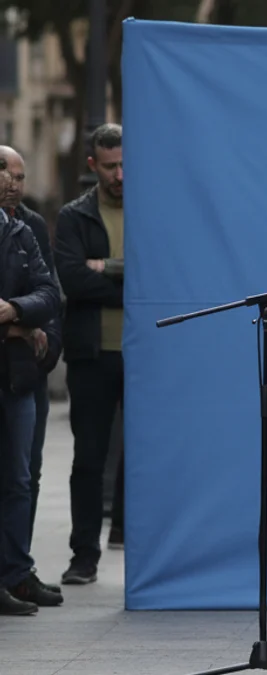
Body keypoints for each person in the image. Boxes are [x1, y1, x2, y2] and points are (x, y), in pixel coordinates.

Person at [55, 123, 125, 585]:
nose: (119, 174)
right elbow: (74, 280)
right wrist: (130, 282)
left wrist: (108, 268)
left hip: (144, 352)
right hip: (91, 353)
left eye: (124, 164)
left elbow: (165, 273)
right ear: (92, 166)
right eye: (109, 166)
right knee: (89, 457)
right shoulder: (74, 216)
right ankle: (84, 555)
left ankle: (127, 535)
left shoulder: (154, 208)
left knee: (143, 453)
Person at [0, 161, 63, 614]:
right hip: (15, 355)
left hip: (19, 375)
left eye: (21, 177)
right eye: (7, 175)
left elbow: (50, 294)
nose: (14, 184)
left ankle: (15, 575)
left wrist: (16, 312)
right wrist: (20, 326)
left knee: (21, 479)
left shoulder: (24, 230)